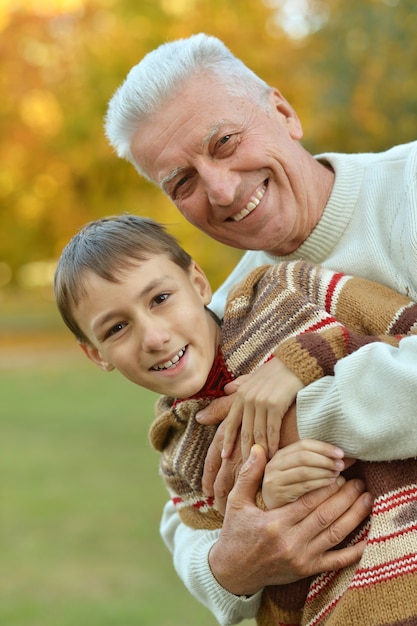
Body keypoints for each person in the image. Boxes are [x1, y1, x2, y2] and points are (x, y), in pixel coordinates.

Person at [103, 33, 417, 624]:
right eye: (183, 183)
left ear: (283, 112)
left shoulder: (410, 186)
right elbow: (185, 498)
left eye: (224, 142)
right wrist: (230, 564)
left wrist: (301, 413)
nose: (220, 189)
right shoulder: (221, 314)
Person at [55, 213, 417, 625]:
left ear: (198, 283)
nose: (154, 338)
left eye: (160, 299)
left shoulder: (290, 289)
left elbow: (410, 333)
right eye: (118, 327)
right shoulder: (179, 454)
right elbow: (244, 555)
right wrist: (271, 497)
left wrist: (310, 358)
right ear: (97, 354)